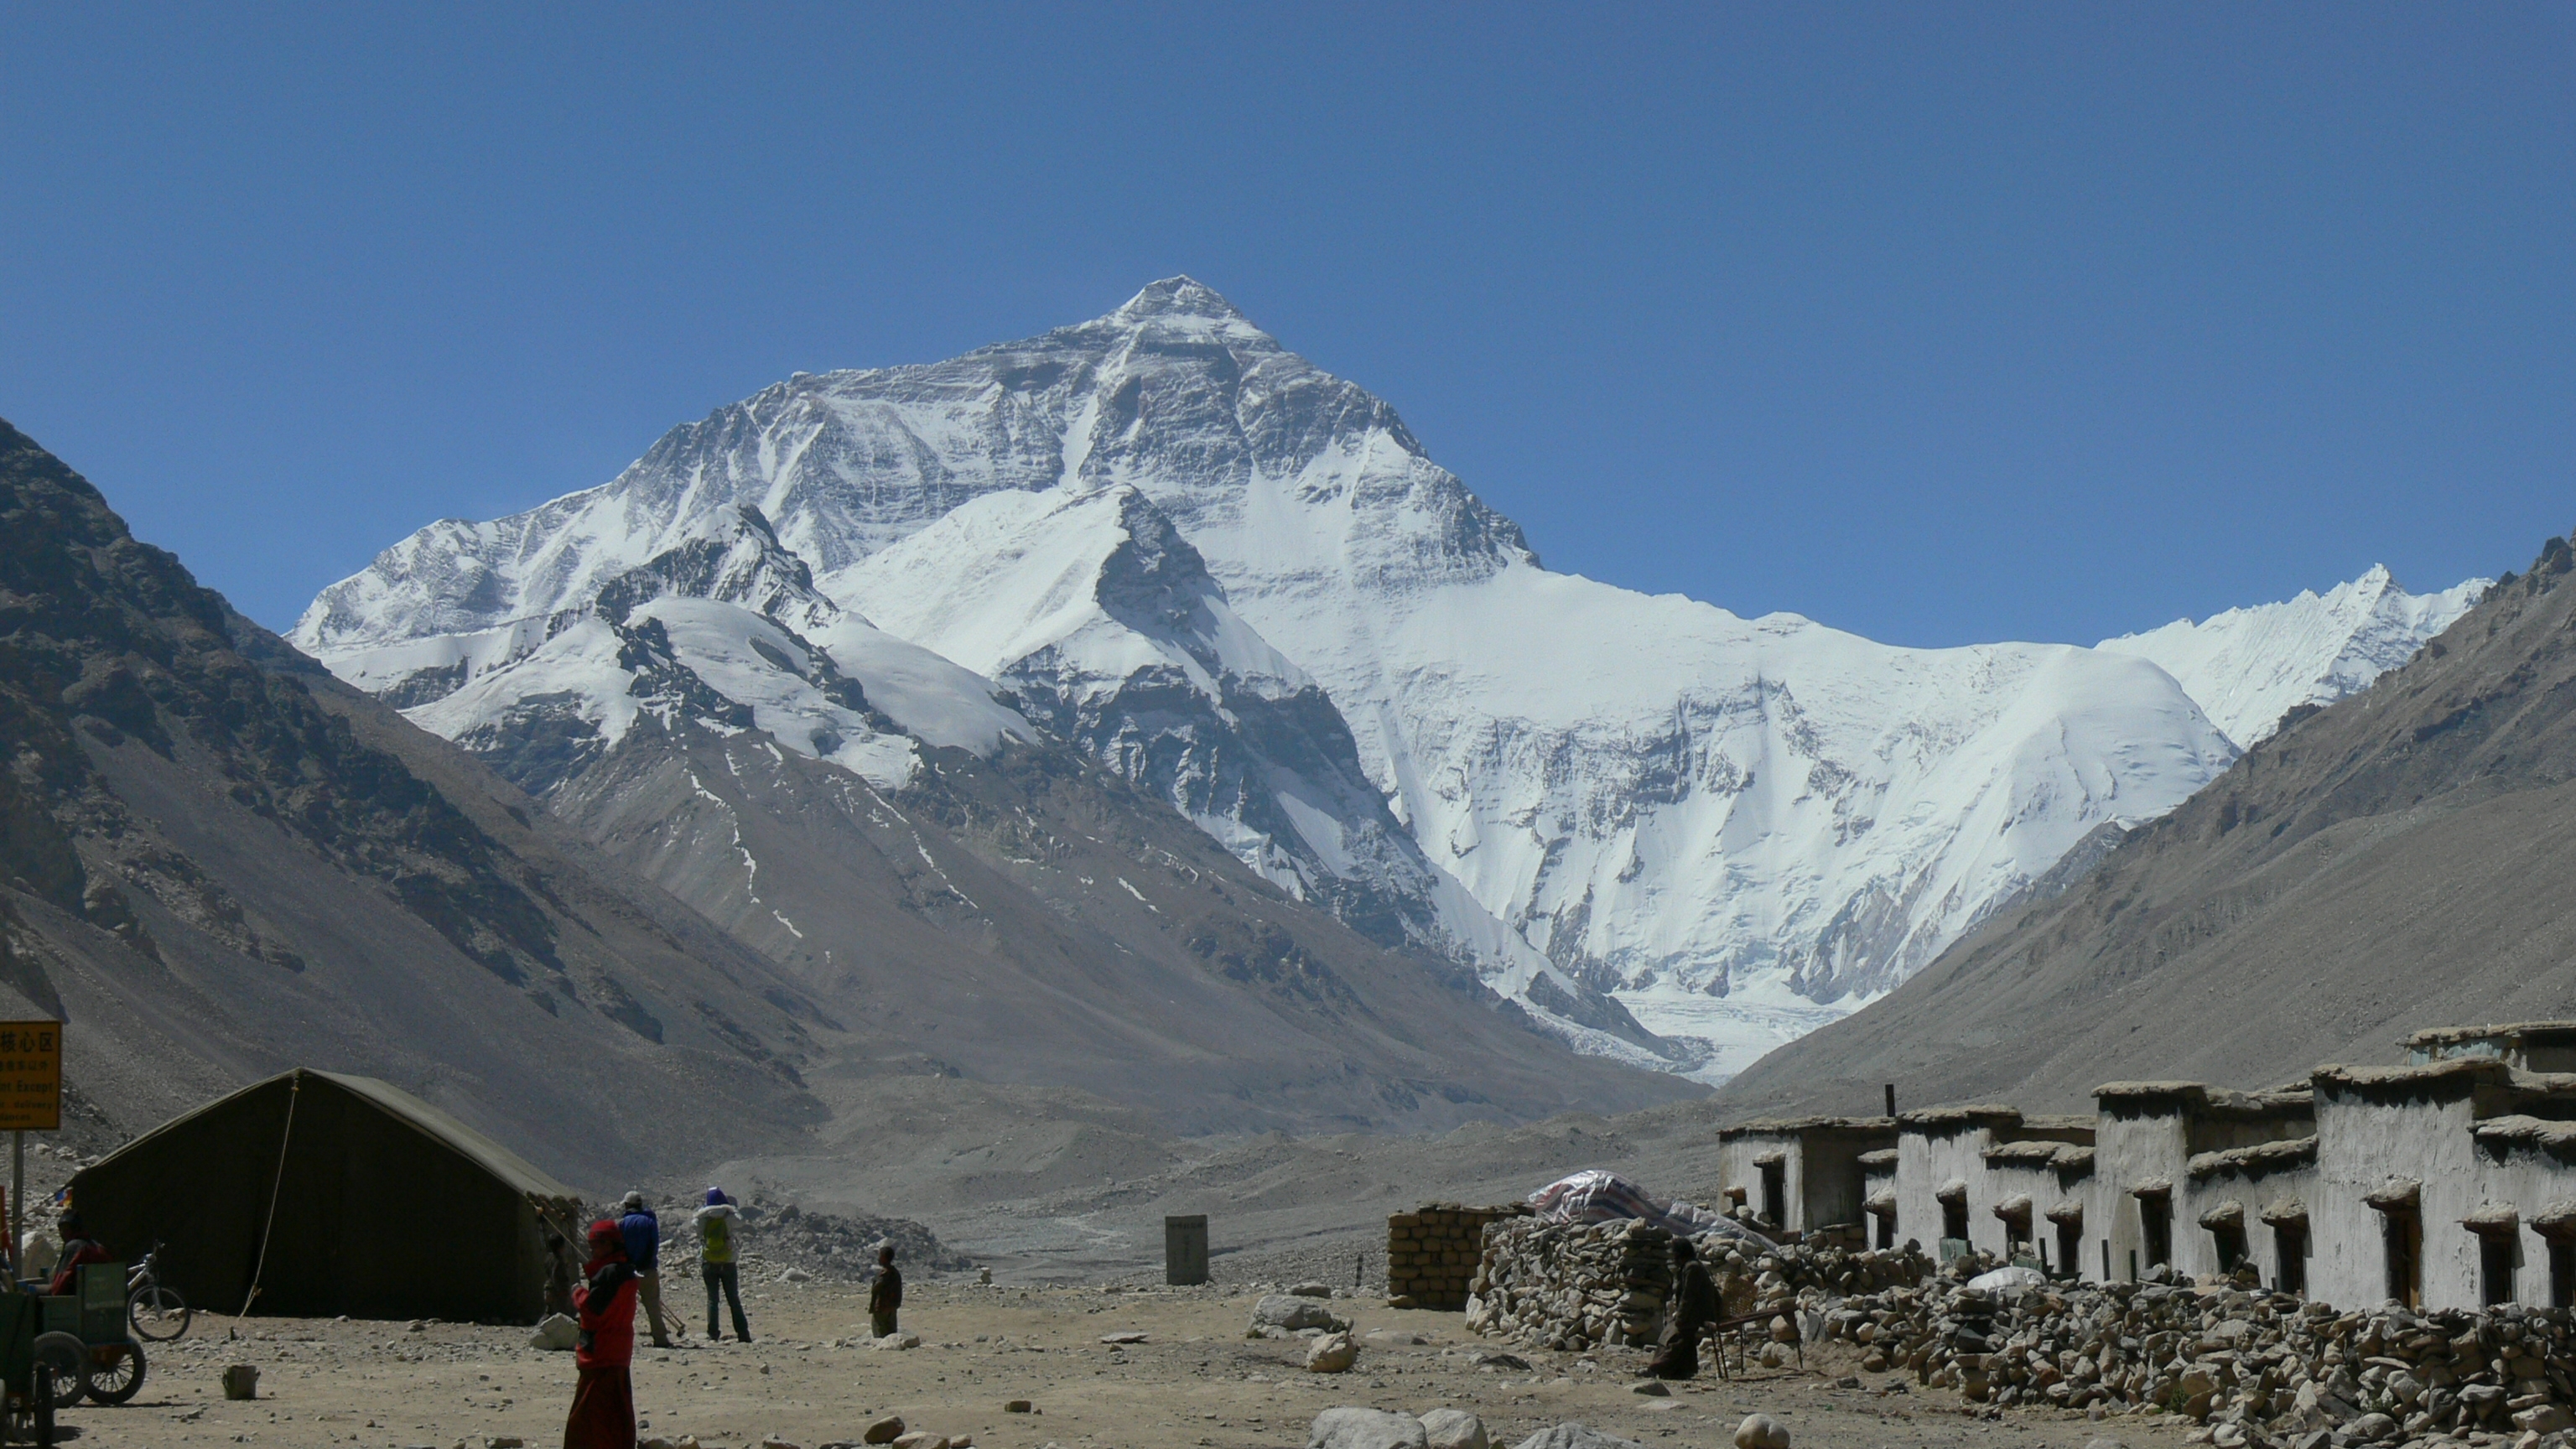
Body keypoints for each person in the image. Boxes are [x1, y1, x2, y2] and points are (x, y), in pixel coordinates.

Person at [564, 1220, 639, 1449]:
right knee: (616, 1413)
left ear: (609, 1245)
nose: (592, 1251)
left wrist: (577, 1292)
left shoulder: (609, 1273)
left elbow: (592, 1310)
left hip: (600, 1353)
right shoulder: (625, 1270)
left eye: (596, 1246)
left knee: (588, 1418)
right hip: (618, 1351)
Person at [1644, 1237, 1718, 1380]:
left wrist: (1681, 1316)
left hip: (1699, 1312)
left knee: (1677, 1335)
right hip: (1694, 1310)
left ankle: (1657, 1368)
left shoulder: (1692, 1268)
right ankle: (1682, 1370)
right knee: (1671, 1334)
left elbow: (1689, 1296)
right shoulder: (1688, 1266)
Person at [617, 1191, 678, 1348]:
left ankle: (622, 1338)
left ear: (627, 1205)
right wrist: (645, 1263)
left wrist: (628, 1264)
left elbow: (620, 1246)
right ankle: (660, 1338)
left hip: (628, 1270)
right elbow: (653, 1246)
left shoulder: (623, 1223)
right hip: (648, 1269)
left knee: (625, 1306)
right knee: (653, 1305)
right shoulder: (649, 1221)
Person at [693, 1187, 750, 1343]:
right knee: (733, 1299)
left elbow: (695, 1227)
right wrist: (732, 1209)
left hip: (709, 1262)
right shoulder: (728, 1216)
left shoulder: (703, 1218)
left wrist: (703, 1210)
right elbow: (741, 1222)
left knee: (713, 1299)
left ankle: (713, 1334)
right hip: (728, 1262)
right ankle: (743, 1334)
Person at [47, 1213, 109, 1298]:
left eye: (65, 1229)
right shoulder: (97, 1246)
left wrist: (53, 1296)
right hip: (99, 1295)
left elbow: (61, 1280)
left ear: (75, 1229)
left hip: (74, 1297)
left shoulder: (73, 1247)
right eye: (60, 1230)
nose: (62, 1233)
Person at [541, 1224, 577, 1319]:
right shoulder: (558, 1261)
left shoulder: (548, 1258)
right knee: (562, 1315)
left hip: (549, 1289)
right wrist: (561, 1290)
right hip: (557, 1291)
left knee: (549, 1312)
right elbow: (555, 1275)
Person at [868, 1244, 902, 1339]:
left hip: (881, 1309)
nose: (878, 1259)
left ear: (884, 1258)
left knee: (880, 1335)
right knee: (891, 1335)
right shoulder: (895, 1273)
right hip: (891, 1309)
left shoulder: (885, 1275)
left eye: (880, 1256)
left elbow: (877, 1290)